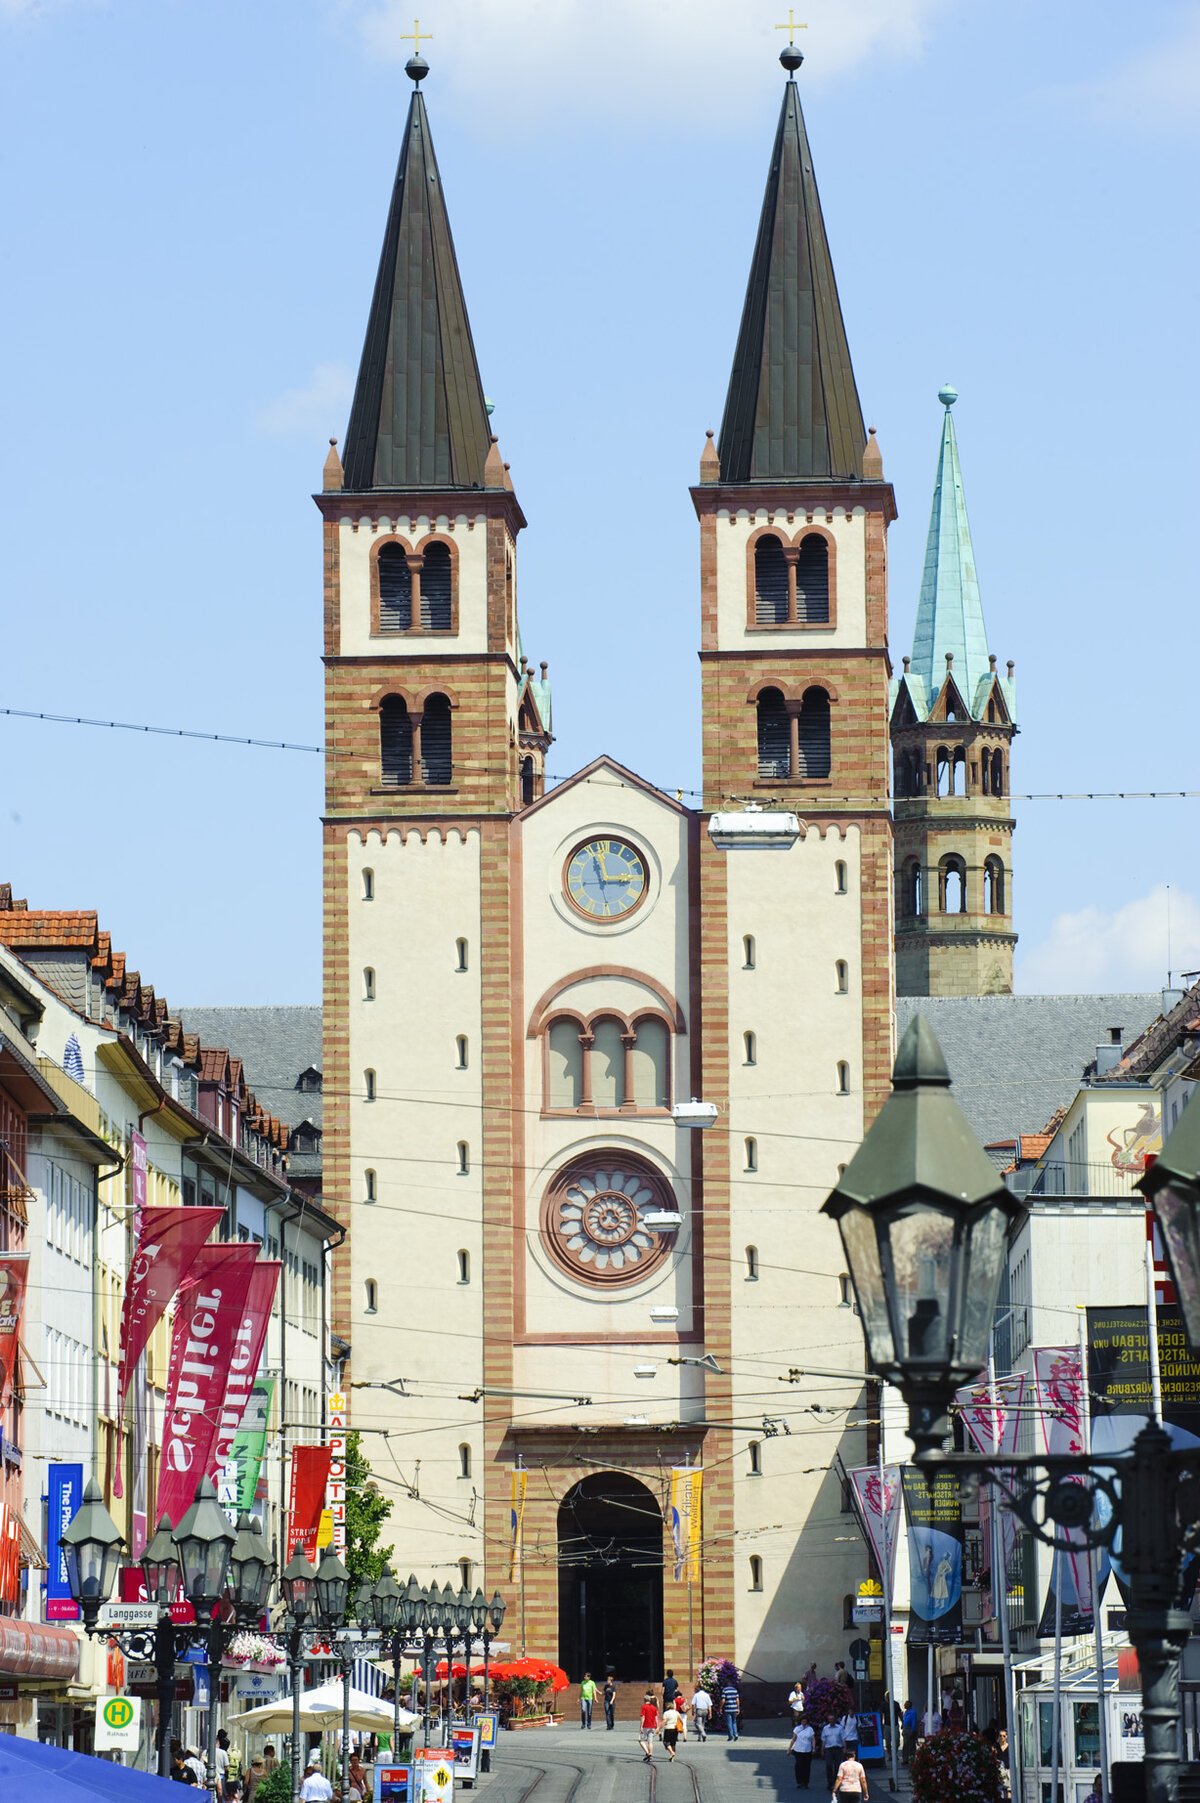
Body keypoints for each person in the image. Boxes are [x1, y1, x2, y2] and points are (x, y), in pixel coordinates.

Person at [789, 1715, 815, 1790]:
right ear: (801, 1721)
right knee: (798, 1766)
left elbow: (813, 1739)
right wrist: (789, 1749)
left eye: (805, 1721)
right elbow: (793, 1739)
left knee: (807, 1767)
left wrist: (813, 1748)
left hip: (807, 1750)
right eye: (803, 1720)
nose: (804, 1722)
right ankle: (799, 1782)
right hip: (798, 1750)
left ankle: (806, 1782)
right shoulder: (797, 1729)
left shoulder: (810, 1729)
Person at [822, 1716, 845, 1788]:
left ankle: (836, 1782)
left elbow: (843, 1738)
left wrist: (844, 1748)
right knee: (828, 1765)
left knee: (837, 1766)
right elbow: (823, 1740)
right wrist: (822, 1749)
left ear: (835, 1720)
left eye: (832, 1719)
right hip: (829, 1749)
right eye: (830, 1719)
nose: (831, 1721)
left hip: (838, 1748)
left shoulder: (839, 1728)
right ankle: (830, 1782)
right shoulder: (825, 1728)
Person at [639, 1692, 660, 1763]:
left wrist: (641, 1726)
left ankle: (648, 1753)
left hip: (646, 1725)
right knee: (650, 1741)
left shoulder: (643, 1707)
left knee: (641, 1740)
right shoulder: (654, 1708)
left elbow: (643, 1717)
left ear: (644, 1700)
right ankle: (650, 1754)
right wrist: (657, 1726)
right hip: (653, 1726)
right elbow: (656, 1717)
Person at [720, 1675, 741, 1742]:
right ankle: (736, 1734)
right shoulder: (735, 1690)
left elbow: (723, 1700)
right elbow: (737, 1700)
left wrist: (720, 1708)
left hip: (727, 1708)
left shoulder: (725, 1690)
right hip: (734, 1708)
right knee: (734, 1722)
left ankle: (731, 1736)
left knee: (729, 1722)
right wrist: (738, 1708)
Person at [901, 1700, 918, 1766]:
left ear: (909, 1705)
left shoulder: (913, 1712)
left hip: (910, 1729)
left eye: (906, 1704)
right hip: (906, 1729)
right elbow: (905, 1720)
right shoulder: (905, 1712)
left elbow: (914, 1722)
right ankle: (905, 1759)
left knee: (911, 1745)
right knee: (905, 1745)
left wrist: (913, 1731)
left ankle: (912, 1759)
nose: (904, 1705)